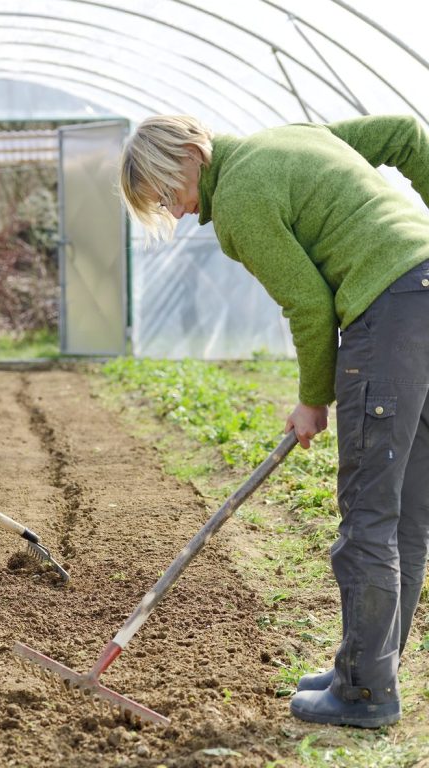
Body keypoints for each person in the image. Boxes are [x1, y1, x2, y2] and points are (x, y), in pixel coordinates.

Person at [119, 114, 429, 728]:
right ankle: (365, 668)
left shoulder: (238, 198)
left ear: (191, 152)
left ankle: (366, 693)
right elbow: (404, 135)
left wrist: (312, 399)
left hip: (388, 311)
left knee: (369, 513)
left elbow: (309, 303)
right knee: (405, 512)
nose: (174, 210)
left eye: (165, 191)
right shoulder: (294, 136)